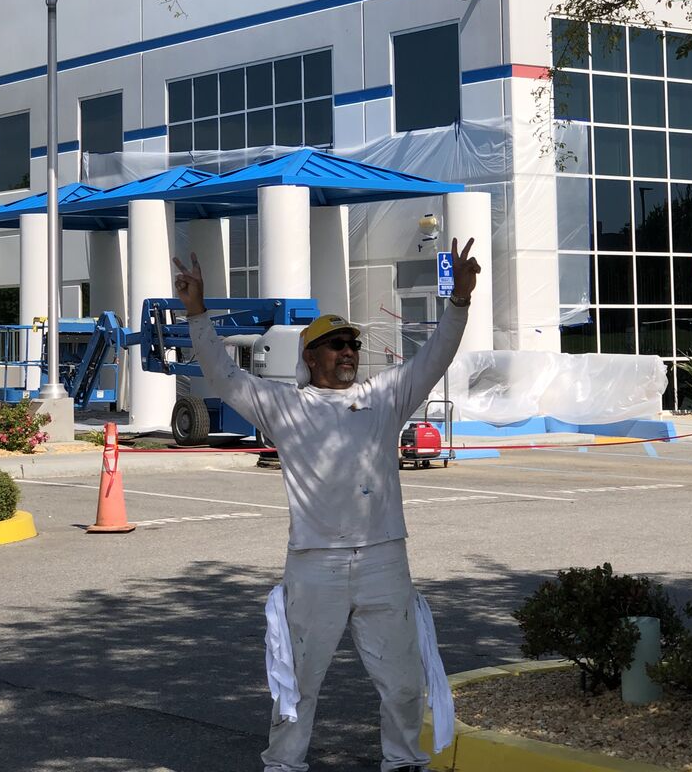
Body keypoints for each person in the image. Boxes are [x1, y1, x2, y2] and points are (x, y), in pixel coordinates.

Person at [172, 238, 481, 772]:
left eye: (352, 344)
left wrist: (460, 300)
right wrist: (197, 313)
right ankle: (284, 764)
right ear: (310, 357)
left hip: (385, 558)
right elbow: (223, 376)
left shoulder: (386, 396)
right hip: (315, 563)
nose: (348, 351)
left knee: (404, 682)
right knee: (297, 683)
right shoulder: (284, 405)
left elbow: (436, 356)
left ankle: (404, 762)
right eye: (335, 344)